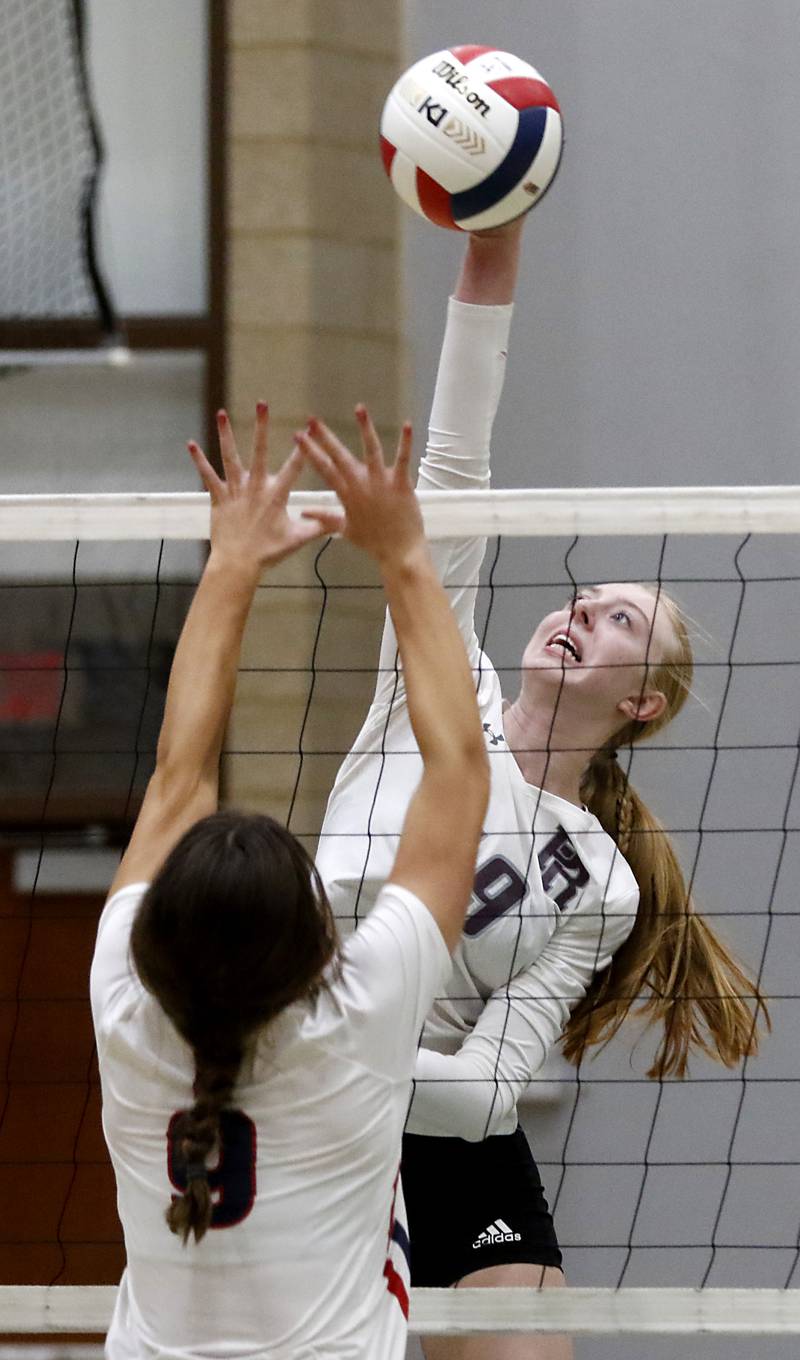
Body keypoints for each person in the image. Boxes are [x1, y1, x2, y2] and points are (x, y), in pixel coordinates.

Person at [315, 222, 769, 1360]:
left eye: (620, 621)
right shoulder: (432, 688)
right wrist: (492, 250)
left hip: (410, 1111)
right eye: (584, 597)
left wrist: (332, 1040)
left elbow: (483, 1097)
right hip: (312, 1110)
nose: (580, 613)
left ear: (641, 705)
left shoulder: (600, 882)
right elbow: (452, 470)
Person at [90, 403, 490, 1360]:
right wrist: (399, 550)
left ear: (155, 940)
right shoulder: (356, 1019)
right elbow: (464, 769)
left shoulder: (123, 1008)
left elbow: (178, 776)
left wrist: (233, 561)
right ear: (319, 945)